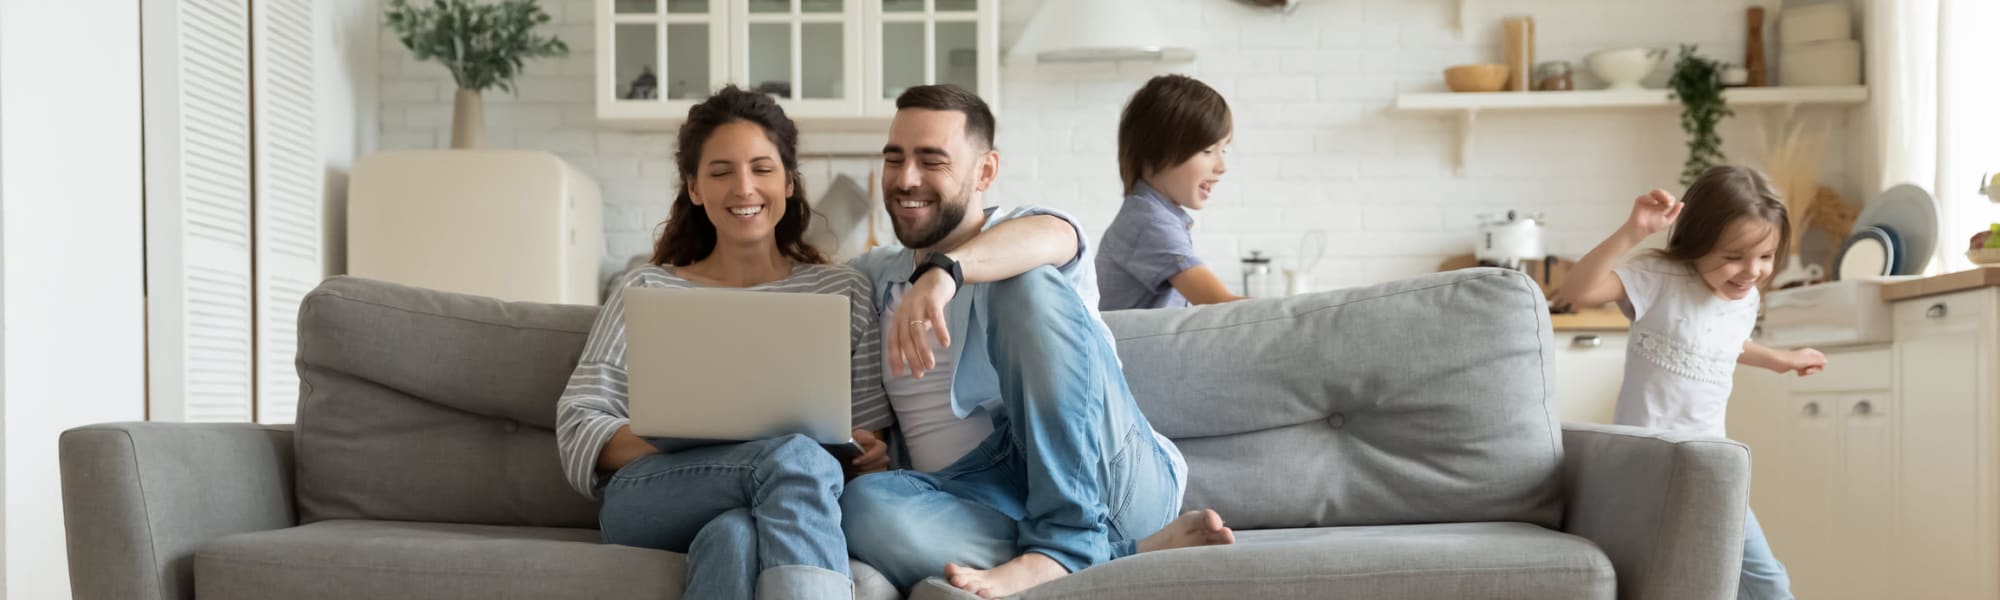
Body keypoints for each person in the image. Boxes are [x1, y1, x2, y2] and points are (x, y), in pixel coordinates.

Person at [838, 84, 1233, 600]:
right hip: (980, 495)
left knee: (1023, 279)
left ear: (985, 172)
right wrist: (865, 445)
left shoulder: (1028, 231)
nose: (907, 178)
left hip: (1108, 474)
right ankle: (1118, 553)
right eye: (895, 159)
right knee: (859, 506)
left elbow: (1051, 237)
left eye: (931, 160)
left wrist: (946, 272)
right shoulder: (873, 277)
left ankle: (1065, 542)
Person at [552, 86, 894, 600]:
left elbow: (869, 435)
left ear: (788, 181)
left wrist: (871, 451)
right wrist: (695, 432)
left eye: (761, 168)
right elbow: (580, 425)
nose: (743, 187)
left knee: (734, 536)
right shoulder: (646, 290)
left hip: (786, 501)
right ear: (693, 188)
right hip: (655, 497)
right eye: (720, 171)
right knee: (794, 459)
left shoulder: (842, 290)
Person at [1552, 165, 1825, 600]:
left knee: (1766, 581)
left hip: (1711, 467)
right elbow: (1576, 291)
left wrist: (1780, 360)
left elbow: (1723, 342)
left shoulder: (1744, 298)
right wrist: (1633, 230)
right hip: (1646, 466)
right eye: (1734, 256)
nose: (1751, 271)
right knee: (1658, 582)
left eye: (1766, 257)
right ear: (1697, 243)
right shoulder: (1657, 279)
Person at [1097, 74, 1241, 310]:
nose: (1222, 167)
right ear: (1154, 153)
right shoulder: (1149, 224)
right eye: (1207, 150)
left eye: (1223, 150)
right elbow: (1221, 305)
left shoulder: (1154, 216)